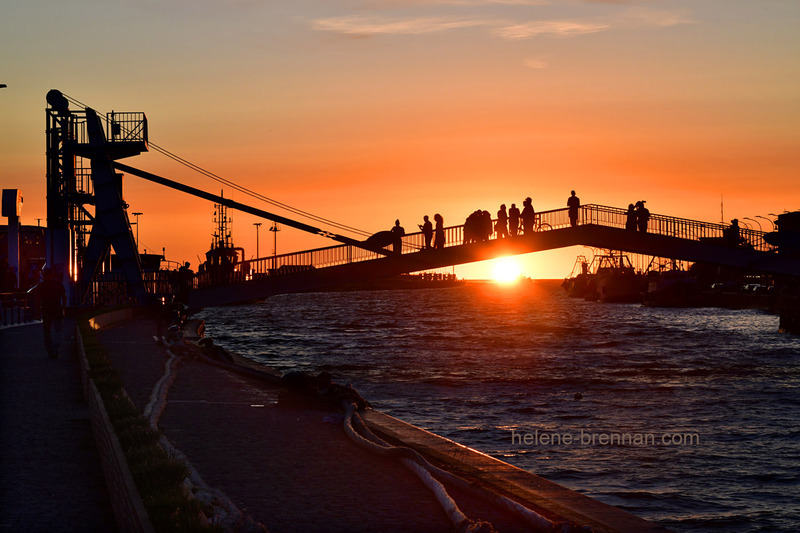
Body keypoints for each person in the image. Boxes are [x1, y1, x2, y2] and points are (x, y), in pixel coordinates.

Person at [34, 268, 66, 358]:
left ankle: (50, 350)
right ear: (53, 274)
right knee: (58, 329)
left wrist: (37, 311)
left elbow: (38, 299)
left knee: (47, 331)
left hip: (46, 309)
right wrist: (64, 308)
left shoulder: (41, 286)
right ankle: (56, 346)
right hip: (57, 309)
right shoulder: (58, 284)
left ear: (44, 275)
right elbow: (64, 296)